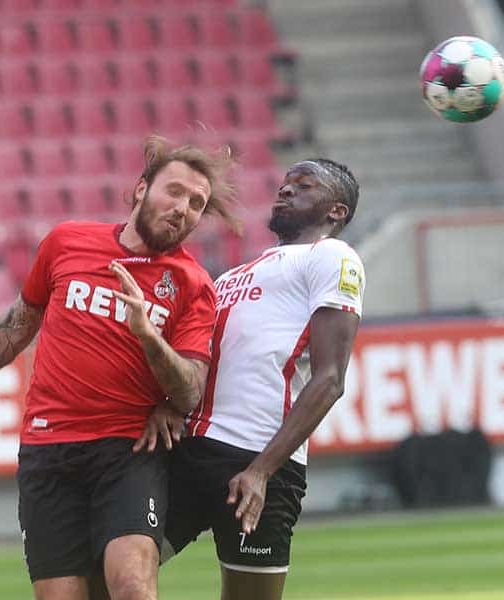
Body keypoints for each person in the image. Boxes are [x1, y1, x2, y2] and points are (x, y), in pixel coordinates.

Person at [0, 135, 238, 600]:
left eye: (196, 203)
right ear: (141, 188)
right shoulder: (67, 242)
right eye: (175, 192)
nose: (183, 208)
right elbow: (14, 328)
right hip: (48, 450)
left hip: (128, 451)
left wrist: (149, 337)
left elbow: (189, 391)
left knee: (132, 589)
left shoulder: (192, 285)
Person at [147, 159, 365, 600]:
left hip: (255, 460)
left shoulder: (332, 256)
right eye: (285, 184)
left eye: (303, 186)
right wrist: (171, 402)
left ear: (336, 211)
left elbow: (330, 378)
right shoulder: (234, 275)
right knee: (113, 576)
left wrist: (262, 471)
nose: (285, 191)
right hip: (191, 453)